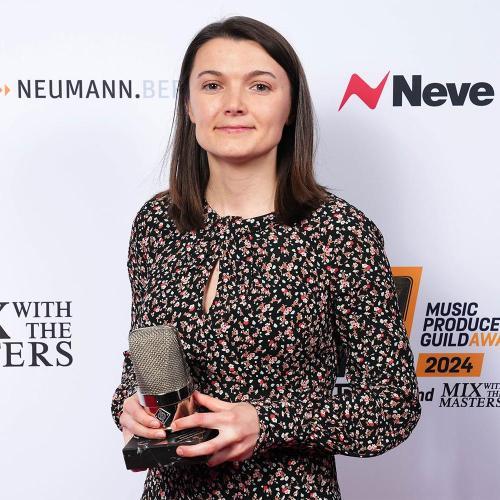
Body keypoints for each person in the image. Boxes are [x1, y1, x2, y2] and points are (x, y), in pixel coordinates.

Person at [111, 15, 422, 499]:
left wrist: (268, 422)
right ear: (189, 106)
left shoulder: (339, 233)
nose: (233, 104)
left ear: (291, 106)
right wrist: (130, 407)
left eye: (259, 86)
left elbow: (393, 405)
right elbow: (147, 362)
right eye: (212, 85)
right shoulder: (156, 224)